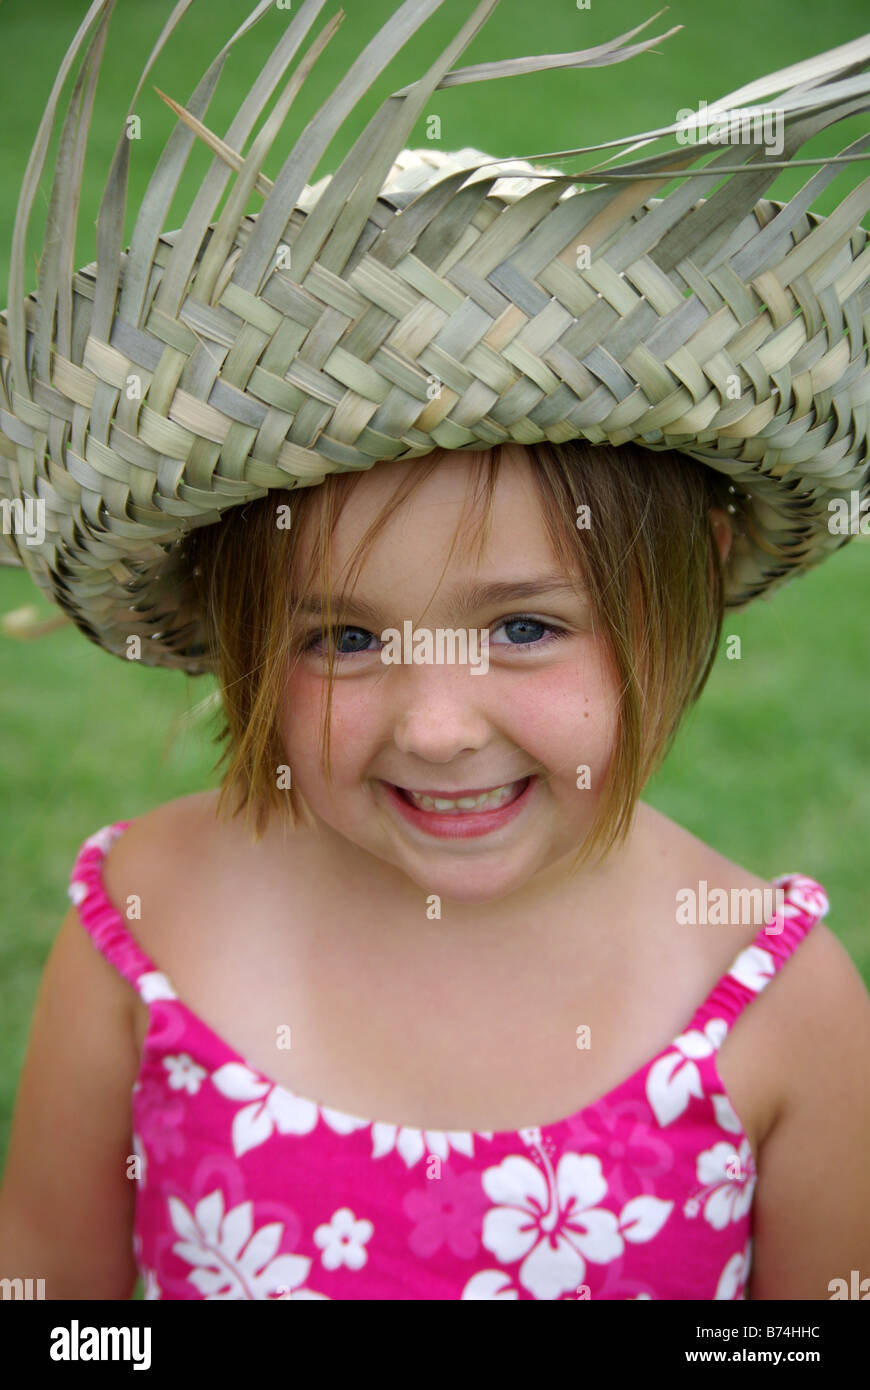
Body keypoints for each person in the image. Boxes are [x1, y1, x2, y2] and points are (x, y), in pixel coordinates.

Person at [0, 0, 869, 1301]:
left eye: (523, 625)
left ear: (669, 607)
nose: (438, 725)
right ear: (242, 638)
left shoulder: (767, 997)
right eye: (344, 635)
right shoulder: (146, 918)